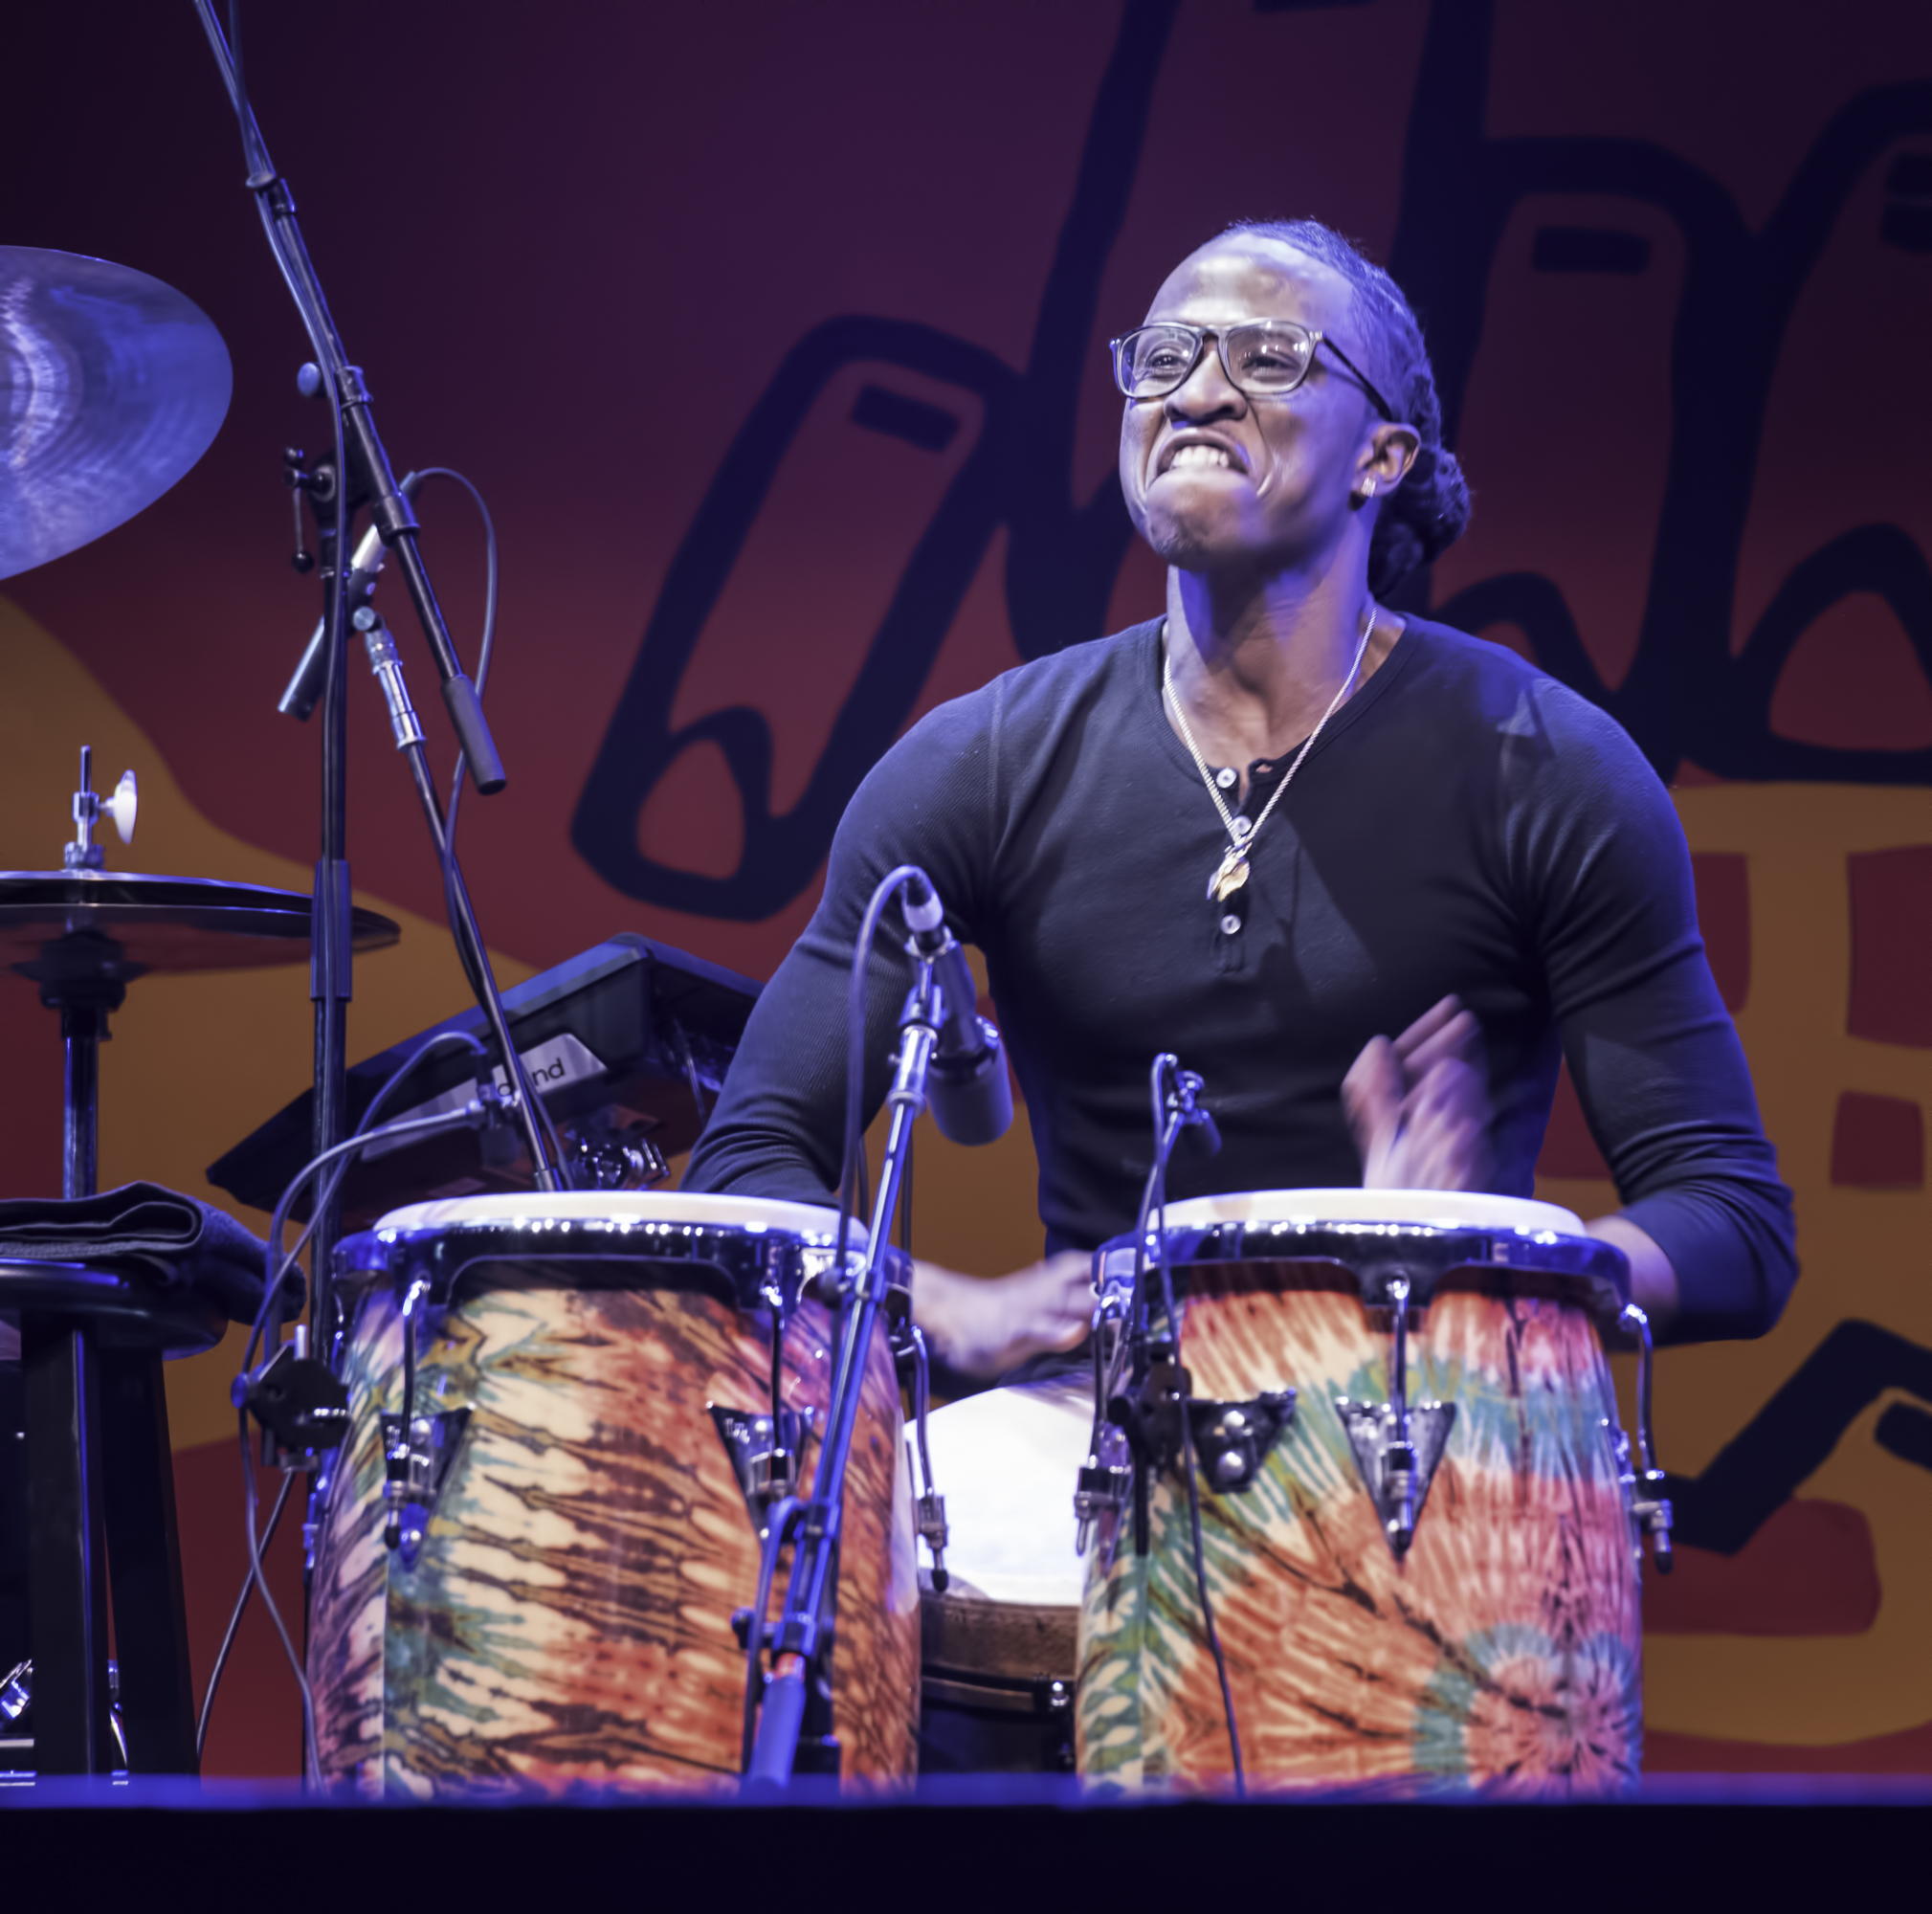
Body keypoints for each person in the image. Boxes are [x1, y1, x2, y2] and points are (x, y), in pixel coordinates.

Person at [683, 216, 1796, 1381]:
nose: (1197, 393)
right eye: (1163, 359)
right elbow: (749, 1159)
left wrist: (1490, 1266)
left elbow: (1730, 1219)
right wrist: (928, 1300)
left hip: (1423, 1428)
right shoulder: (982, 763)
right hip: (1091, 1438)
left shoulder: (1549, 769)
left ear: (1383, 457)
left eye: (1267, 359)